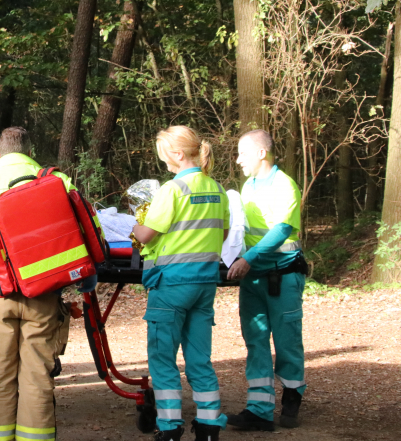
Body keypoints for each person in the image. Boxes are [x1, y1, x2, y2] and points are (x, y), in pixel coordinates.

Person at [0, 127, 95, 441]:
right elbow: (86, 232)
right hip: (45, 296)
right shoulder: (58, 182)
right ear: (29, 152)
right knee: (38, 378)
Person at [131, 126, 229, 441]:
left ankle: (171, 428)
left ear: (176, 154)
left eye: (165, 158)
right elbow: (223, 234)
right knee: (199, 358)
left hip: (171, 285)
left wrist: (136, 223)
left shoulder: (172, 190)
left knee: (162, 357)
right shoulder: (217, 189)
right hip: (205, 283)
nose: (166, 165)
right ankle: (210, 426)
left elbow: (145, 234)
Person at [226, 129, 307, 431]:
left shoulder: (285, 185)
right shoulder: (247, 186)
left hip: (283, 276)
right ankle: (259, 409)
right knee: (255, 341)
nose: (237, 160)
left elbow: (282, 230)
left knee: (286, 340)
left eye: (242, 153)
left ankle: (292, 395)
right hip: (254, 279)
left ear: (262, 153)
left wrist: (248, 258)